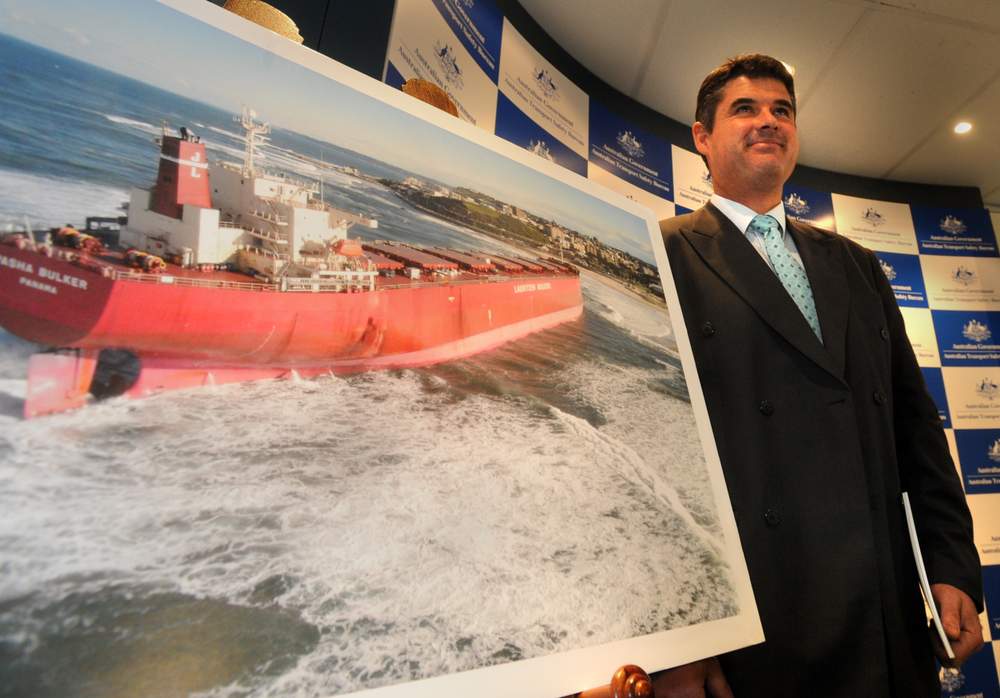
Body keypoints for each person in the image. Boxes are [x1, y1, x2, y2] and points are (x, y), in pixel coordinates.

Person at [654, 54, 983, 697]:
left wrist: (950, 568)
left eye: (783, 110)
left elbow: (917, 432)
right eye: (745, 109)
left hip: (886, 613)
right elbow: (663, 460)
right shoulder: (664, 251)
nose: (768, 121)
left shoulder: (857, 264)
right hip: (765, 627)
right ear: (702, 137)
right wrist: (684, 641)